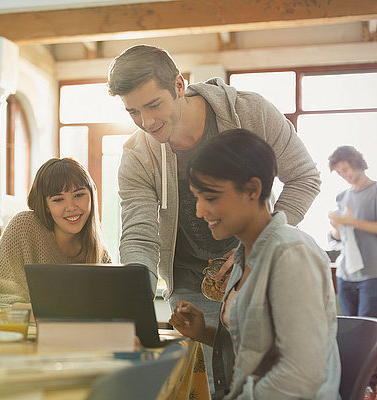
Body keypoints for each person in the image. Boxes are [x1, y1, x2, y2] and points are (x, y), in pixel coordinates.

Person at [107, 44, 321, 395]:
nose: (146, 122)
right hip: (193, 284)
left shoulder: (250, 114)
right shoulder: (137, 154)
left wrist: (254, 250)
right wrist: (135, 306)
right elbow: (139, 235)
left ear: (178, 85)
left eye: (153, 105)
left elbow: (305, 178)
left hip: (256, 269)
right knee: (214, 380)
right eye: (132, 112)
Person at [169, 129, 340, 399]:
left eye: (210, 198)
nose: (200, 211)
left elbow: (302, 374)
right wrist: (204, 332)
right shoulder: (242, 255)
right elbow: (254, 350)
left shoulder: (291, 254)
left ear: (252, 189)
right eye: (197, 198)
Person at [0, 157, 111, 312]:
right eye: (58, 199)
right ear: (46, 206)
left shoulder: (100, 254)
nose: (71, 207)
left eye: (79, 195)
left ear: (91, 195)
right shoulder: (24, 226)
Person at [327, 146, 377, 317]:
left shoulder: (375, 192)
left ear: (357, 164)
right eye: (339, 173)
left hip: (372, 275)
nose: (344, 175)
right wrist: (337, 228)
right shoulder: (342, 197)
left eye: (345, 169)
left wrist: (352, 222)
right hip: (345, 275)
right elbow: (340, 237)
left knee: (368, 331)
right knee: (349, 328)